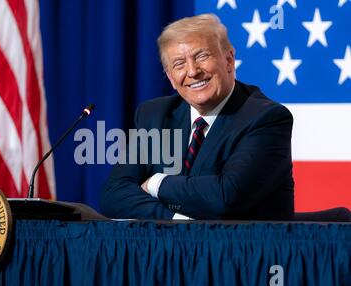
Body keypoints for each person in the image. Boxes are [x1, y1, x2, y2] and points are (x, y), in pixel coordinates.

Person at [100, 14, 294, 220]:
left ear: (229, 61)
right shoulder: (155, 115)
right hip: (173, 248)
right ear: (171, 78)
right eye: (179, 64)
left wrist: (156, 183)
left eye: (202, 56)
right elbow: (114, 195)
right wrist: (174, 219)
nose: (192, 71)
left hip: (243, 248)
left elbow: (226, 196)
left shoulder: (266, 118)